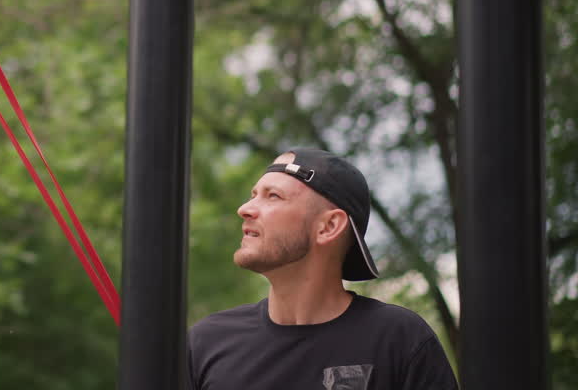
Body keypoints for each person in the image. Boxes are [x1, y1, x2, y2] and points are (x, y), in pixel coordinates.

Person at [188, 148, 458, 390]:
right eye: (253, 195)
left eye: (273, 196)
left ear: (328, 227)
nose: (245, 209)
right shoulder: (205, 343)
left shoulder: (400, 341)